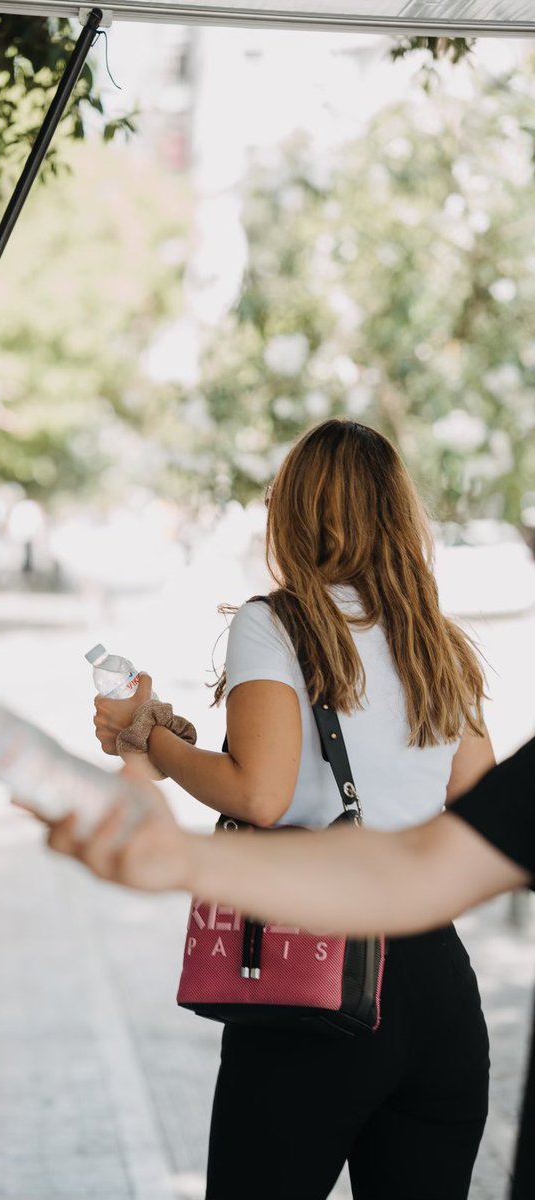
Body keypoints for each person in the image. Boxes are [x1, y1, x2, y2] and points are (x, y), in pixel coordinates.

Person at [90, 421, 496, 1200]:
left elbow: (259, 794)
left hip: (316, 974)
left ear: (295, 513)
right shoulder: (435, 641)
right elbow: (478, 800)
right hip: (437, 987)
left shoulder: (273, 623)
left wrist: (149, 738)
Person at [39, 737, 535, 1200]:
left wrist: (156, 743)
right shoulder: (460, 676)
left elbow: (259, 798)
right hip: (434, 976)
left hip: (330, 987)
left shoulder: (268, 660)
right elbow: (438, 851)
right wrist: (183, 856)